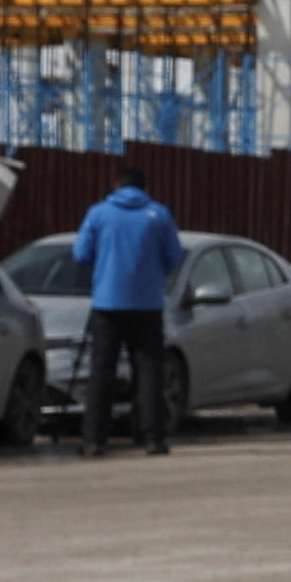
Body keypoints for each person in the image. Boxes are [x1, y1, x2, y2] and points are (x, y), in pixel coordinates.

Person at [72, 157, 184, 458]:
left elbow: (81, 254)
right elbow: (175, 257)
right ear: (145, 187)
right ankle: (152, 439)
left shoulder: (98, 214)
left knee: (101, 373)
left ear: (116, 185)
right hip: (147, 305)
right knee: (149, 374)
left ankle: (94, 440)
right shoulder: (159, 215)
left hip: (107, 304)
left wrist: (106, 264)